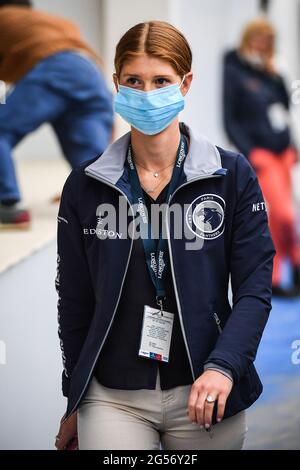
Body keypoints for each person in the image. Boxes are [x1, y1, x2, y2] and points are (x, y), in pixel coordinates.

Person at [55, 20, 275, 450]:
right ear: (117, 83)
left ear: (186, 83)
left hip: (208, 390)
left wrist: (224, 368)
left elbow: (253, 289)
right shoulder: (84, 184)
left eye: (161, 81)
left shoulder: (231, 177)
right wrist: (75, 398)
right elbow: (74, 301)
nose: (147, 94)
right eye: (134, 81)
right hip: (113, 397)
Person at [0, 0, 114, 229]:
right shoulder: (50, 22)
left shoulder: (4, 17)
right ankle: (103, 200)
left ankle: (7, 206)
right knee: (86, 152)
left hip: (56, 67)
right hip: (90, 70)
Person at [223, 17, 300, 297]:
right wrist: (251, 152)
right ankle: (280, 273)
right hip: (262, 155)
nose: (262, 45)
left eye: (268, 41)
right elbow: (230, 119)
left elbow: (285, 108)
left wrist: (276, 71)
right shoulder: (233, 71)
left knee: (287, 216)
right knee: (283, 215)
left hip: (285, 153)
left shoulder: (271, 73)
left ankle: (291, 266)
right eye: (258, 39)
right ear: (247, 39)